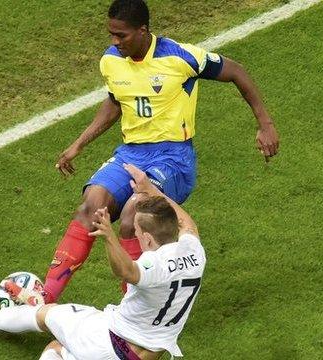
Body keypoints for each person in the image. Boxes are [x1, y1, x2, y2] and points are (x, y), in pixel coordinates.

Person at [43, 0, 279, 303]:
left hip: (173, 159)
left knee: (134, 214)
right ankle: (45, 297)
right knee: (91, 205)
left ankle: (133, 307)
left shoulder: (180, 57)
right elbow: (117, 101)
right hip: (131, 154)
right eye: (111, 35)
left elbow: (236, 71)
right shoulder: (111, 60)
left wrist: (265, 124)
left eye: (121, 35)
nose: (115, 42)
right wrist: (80, 142)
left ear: (143, 31)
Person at [0, 164, 206, 359]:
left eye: (135, 230)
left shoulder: (154, 266)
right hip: (144, 354)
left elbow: (126, 270)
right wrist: (152, 190)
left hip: (110, 342)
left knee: (45, 315)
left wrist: (110, 237)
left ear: (147, 237)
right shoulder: (194, 252)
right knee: (59, 350)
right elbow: (188, 224)